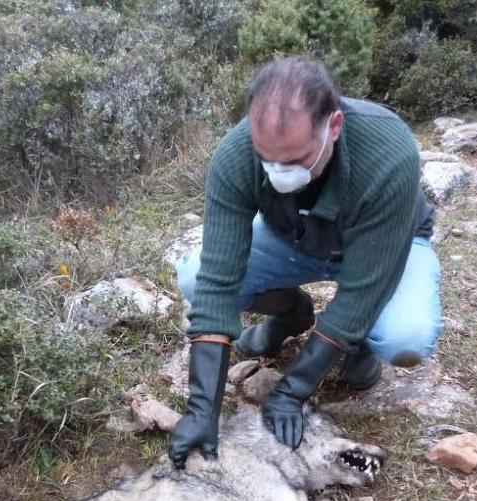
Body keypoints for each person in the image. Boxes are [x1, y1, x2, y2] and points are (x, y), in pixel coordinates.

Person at [168, 56, 441, 467]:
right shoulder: (236, 153)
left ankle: (361, 340)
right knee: (193, 275)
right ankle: (291, 313)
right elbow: (218, 278)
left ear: (332, 126)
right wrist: (202, 409)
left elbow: (366, 285)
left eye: (294, 160)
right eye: (268, 158)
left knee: (407, 336)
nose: (279, 173)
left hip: (383, 247)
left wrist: (294, 389)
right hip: (294, 239)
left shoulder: (389, 152)